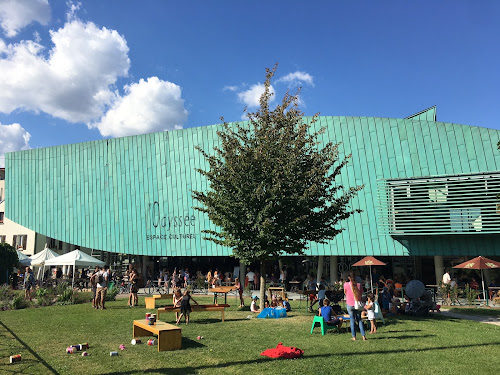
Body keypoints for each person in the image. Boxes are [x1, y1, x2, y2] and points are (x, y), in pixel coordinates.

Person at [344, 271, 366, 341]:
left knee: (352, 320)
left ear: (349, 277)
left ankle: (354, 336)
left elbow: (345, 292)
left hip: (350, 304)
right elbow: (361, 293)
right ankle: (363, 336)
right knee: (359, 320)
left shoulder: (346, 284)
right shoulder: (359, 285)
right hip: (358, 304)